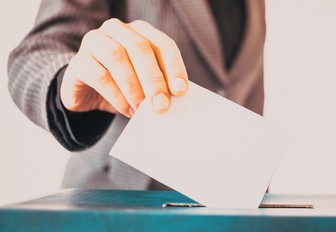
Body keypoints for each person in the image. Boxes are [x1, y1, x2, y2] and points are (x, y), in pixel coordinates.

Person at [8, 0, 266, 190]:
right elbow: (33, 54)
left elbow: (236, 86)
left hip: (226, 212)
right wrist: (66, 79)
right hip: (117, 206)